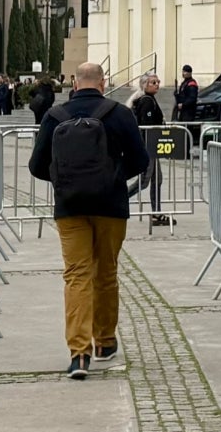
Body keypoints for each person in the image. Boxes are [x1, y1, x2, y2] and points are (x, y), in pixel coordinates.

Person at [29, 63, 150, 380]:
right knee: (106, 273)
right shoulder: (119, 114)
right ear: (103, 83)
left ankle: (79, 354)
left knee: (76, 275)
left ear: (74, 83)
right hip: (110, 204)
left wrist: (65, 180)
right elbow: (140, 160)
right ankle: (105, 341)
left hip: (70, 207)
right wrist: (113, 176)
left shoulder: (55, 116)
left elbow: (36, 165)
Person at [130, 73, 171, 225]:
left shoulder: (149, 99)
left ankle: (156, 212)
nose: (157, 84)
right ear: (145, 85)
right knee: (144, 181)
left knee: (157, 179)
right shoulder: (146, 101)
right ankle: (117, 201)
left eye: (158, 81)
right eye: (153, 82)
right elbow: (146, 125)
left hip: (152, 145)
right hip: (148, 146)